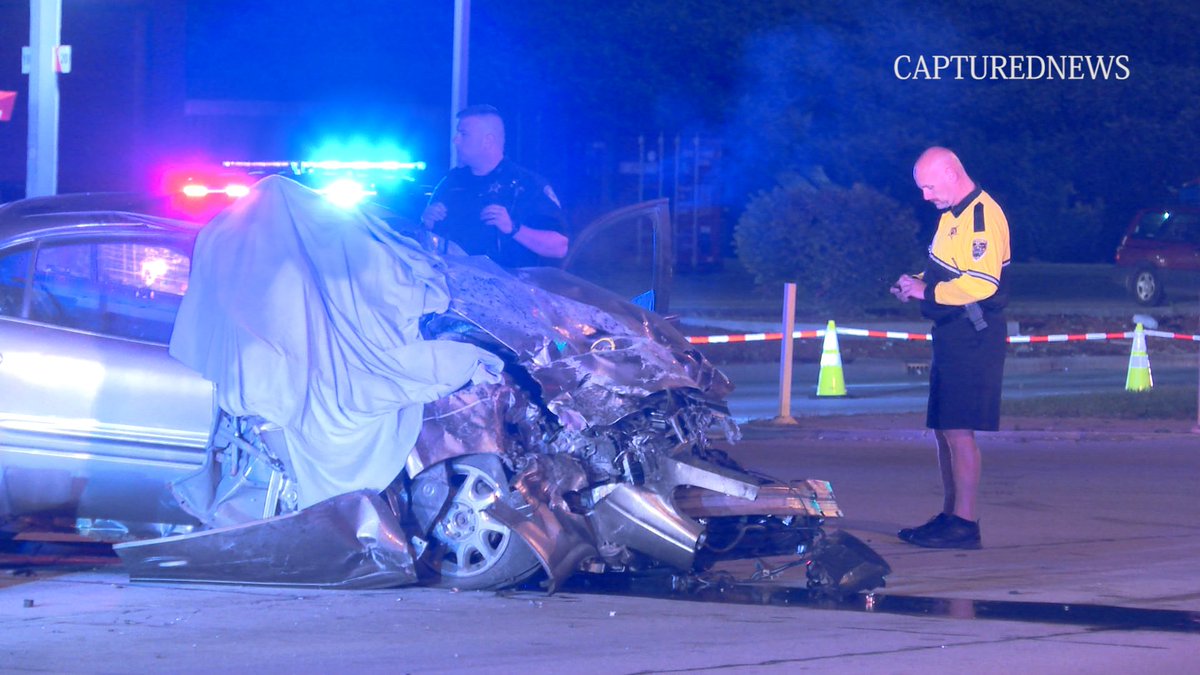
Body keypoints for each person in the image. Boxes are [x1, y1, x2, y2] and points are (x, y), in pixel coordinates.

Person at [889, 146, 1011, 550]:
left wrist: (928, 290)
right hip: (953, 330)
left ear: (951, 172)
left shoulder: (981, 215)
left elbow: (982, 282)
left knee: (958, 431)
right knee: (945, 429)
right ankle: (951, 515)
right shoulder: (952, 215)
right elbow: (950, 269)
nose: (925, 195)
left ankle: (964, 523)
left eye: (928, 186)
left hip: (973, 333)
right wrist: (917, 281)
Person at [421, 104, 569, 267]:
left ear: (488, 141)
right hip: (450, 285)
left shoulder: (526, 185)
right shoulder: (453, 181)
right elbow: (426, 242)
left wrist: (513, 229)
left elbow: (560, 246)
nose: (455, 140)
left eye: (463, 134)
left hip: (510, 288)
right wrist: (427, 223)